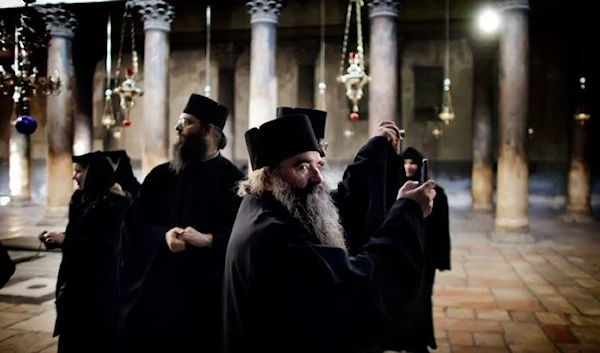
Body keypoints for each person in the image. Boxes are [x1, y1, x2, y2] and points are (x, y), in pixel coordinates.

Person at [223, 114, 436, 353]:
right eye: (302, 166)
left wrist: (376, 147)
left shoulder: (267, 204)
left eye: (319, 165)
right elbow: (357, 292)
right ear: (267, 177)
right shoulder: (271, 236)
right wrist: (408, 212)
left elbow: (345, 203)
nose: (317, 177)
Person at [120, 93, 245, 353]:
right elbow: (133, 224)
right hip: (160, 293)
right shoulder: (160, 176)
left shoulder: (235, 182)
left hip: (209, 296)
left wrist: (209, 240)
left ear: (209, 130)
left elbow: (246, 237)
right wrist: (163, 235)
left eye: (186, 122)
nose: (178, 128)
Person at [275, 106, 405, 256]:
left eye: (322, 146)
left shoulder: (297, 199)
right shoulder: (279, 226)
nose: (323, 152)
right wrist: (374, 149)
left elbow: (349, 198)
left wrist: (382, 153)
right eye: (318, 145)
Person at [47, 151, 129, 353]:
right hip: (73, 284)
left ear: (94, 174)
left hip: (98, 289)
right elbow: (74, 235)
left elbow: (108, 248)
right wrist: (58, 240)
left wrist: (67, 241)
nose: (73, 176)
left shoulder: (114, 204)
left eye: (79, 172)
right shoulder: (79, 199)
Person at [383, 147, 450, 353]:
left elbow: (441, 229)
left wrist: (441, 258)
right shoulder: (393, 189)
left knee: (421, 299)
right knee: (400, 300)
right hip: (400, 256)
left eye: (412, 162)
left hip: (424, 257)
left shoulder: (435, 193)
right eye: (405, 162)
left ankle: (418, 342)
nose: (408, 166)